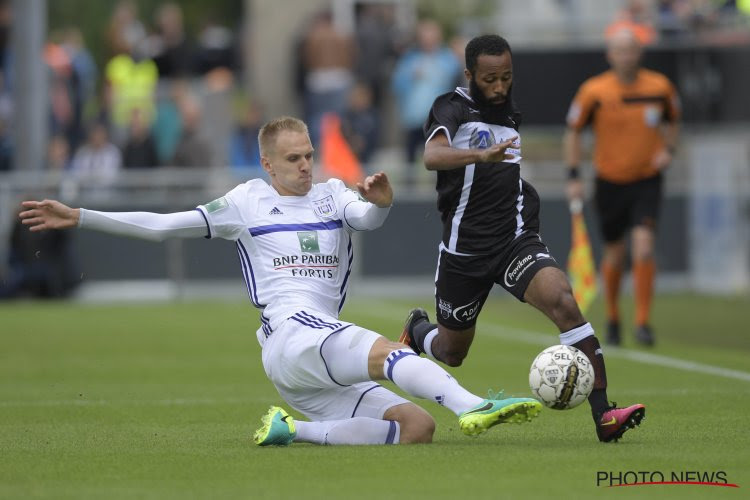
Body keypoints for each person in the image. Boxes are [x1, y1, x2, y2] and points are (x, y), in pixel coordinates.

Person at [19, 116, 541, 446]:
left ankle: (293, 431)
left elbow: (366, 218)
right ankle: (473, 406)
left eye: (309, 154)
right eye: (293, 159)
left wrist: (380, 203)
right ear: (267, 163)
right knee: (388, 352)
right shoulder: (245, 201)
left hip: (309, 354)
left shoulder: (333, 192)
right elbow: (164, 226)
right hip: (291, 333)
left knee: (416, 429)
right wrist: (82, 215)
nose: (306, 166)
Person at [397, 35, 645, 443]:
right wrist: (481, 155)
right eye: (490, 79)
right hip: (464, 251)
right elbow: (432, 156)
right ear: (470, 76)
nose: (499, 87)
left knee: (564, 301)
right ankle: (420, 330)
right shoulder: (451, 106)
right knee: (451, 352)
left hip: (514, 241)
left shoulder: (510, 111)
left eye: (507, 77)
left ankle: (605, 415)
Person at [563, 28, 680, 347]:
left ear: (639, 53)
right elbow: (573, 131)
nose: (626, 56)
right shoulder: (594, 91)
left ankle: (643, 322)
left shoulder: (660, 87)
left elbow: (673, 121)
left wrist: (668, 150)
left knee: (643, 246)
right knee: (615, 253)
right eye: (620, 50)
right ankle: (613, 316)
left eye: (632, 50)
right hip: (609, 181)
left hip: (646, 180)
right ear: (610, 55)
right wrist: (573, 175)